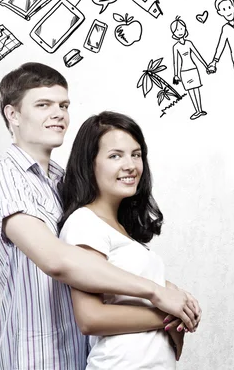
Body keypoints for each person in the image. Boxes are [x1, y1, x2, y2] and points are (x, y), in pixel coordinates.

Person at [0, 62, 200, 369]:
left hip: (79, 355)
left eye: (63, 105)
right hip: (35, 355)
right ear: (12, 115)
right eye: (43, 105)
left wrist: (168, 291)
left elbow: (105, 262)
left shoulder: (63, 181)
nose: (58, 114)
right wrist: (156, 294)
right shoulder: (4, 178)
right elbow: (57, 261)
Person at [59, 111, 185, 369]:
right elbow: (90, 318)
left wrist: (178, 301)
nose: (130, 165)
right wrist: (167, 313)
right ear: (89, 163)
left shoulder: (122, 230)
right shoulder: (84, 223)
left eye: (136, 154)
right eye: (115, 155)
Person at [170, 16, 209, 120]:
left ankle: (200, 110)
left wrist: (206, 66)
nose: (179, 31)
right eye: (177, 30)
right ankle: (197, 110)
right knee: (191, 91)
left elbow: (197, 55)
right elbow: (176, 61)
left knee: (197, 89)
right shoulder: (176, 47)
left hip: (193, 69)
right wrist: (176, 75)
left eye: (181, 28)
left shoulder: (189, 43)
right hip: (184, 72)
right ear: (174, 33)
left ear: (185, 29)